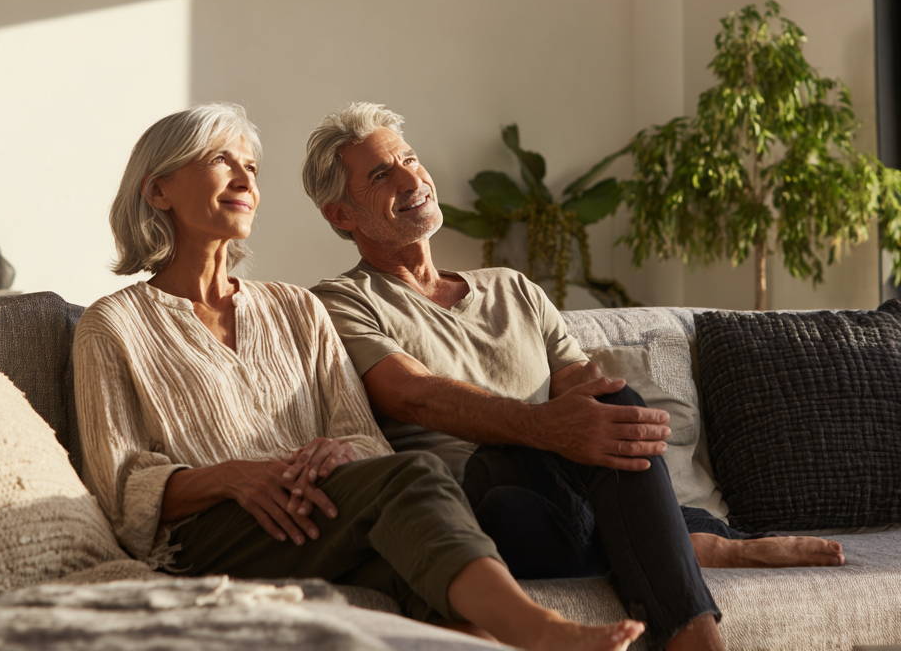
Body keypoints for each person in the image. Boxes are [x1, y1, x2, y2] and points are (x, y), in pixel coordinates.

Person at [73, 102, 644, 651]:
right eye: (221, 159)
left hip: (315, 512)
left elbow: (362, 434)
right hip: (207, 535)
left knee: (428, 574)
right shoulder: (113, 325)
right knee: (415, 475)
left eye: (251, 166)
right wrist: (233, 477)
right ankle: (539, 630)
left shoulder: (296, 307)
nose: (244, 176)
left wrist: (339, 454)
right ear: (157, 190)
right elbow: (121, 488)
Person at [302, 103, 848, 651]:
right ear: (340, 215)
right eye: (380, 175)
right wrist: (544, 426)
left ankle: (694, 632)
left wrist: (588, 415)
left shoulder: (513, 288)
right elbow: (412, 394)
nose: (411, 178)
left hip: (565, 499)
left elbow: (582, 387)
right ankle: (701, 543)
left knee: (615, 399)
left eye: (410, 159)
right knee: (506, 469)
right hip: (476, 508)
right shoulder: (341, 300)